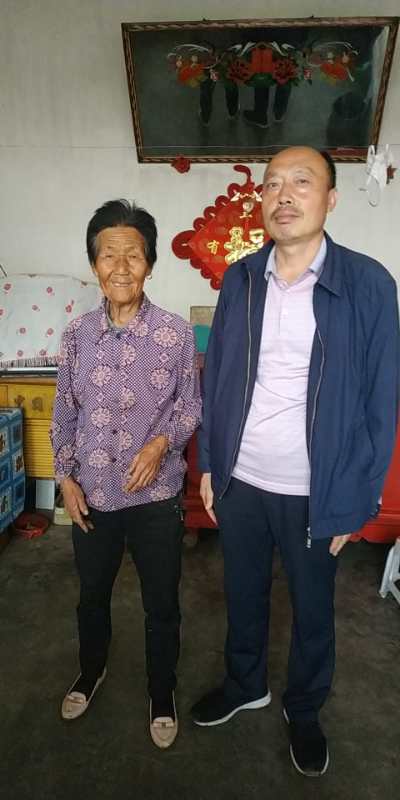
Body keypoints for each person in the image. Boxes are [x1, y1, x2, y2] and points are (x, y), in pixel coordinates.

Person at [191, 147, 399, 776]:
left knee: (312, 610)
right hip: (241, 479)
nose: (283, 195)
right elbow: (219, 375)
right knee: (242, 592)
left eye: (301, 182)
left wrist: (358, 497)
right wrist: (211, 462)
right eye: (272, 183)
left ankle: (304, 708)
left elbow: (380, 401)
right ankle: (245, 683)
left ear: (330, 199)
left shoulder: (369, 284)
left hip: (317, 488)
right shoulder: (241, 279)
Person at [51, 200, 201, 749]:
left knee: (161, 605)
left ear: (150, 264)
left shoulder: (175, 334)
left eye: (132, 255)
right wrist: (66, 479)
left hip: (156, 499)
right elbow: (64, 412)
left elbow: (191, 406)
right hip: (92, 495)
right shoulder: (77, 335)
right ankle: (91, 672)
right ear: (94, 264)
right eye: (108, 254)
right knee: (92, 596)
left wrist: (162, 443)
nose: (120, 266)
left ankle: (162, 694)